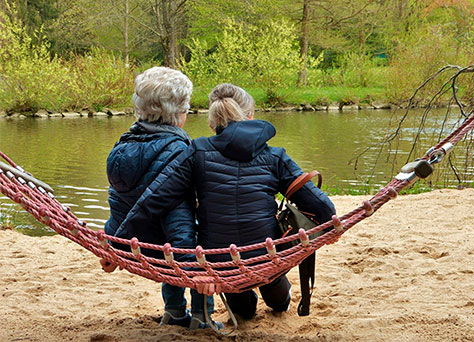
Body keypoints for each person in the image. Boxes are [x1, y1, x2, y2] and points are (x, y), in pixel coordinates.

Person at [115, 83, 336, 319]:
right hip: (267, 255)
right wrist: (331, 226)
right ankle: (278, 296)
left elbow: (156, 198)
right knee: (276, 291)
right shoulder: (275, 156)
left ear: (212, 122)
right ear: (250, 116)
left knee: (244, 311)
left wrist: (117, 244)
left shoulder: (196, 151)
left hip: (221, 263)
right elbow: (320, 205)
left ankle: (254, 296)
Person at [102, 66, 219, 330]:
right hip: (167, 248)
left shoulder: (121, 146)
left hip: (135, 243)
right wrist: (195, 271)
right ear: (178, 113)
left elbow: (119, 204)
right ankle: (202, 316)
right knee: (204, 234)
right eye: (186, 108)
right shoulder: (180, 152)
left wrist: (112, 244)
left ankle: (174, 311)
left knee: (170, 239)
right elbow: (180, 219)